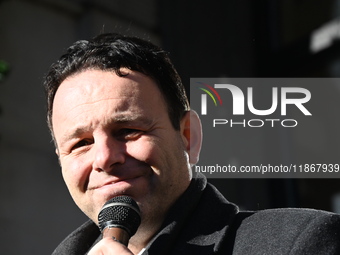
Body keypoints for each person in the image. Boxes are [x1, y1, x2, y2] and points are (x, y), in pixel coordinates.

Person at [45, 33, 340, 255]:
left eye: (128, 130)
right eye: (81, 142)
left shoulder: (300, 242)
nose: (104, 157)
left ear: (188, 136)